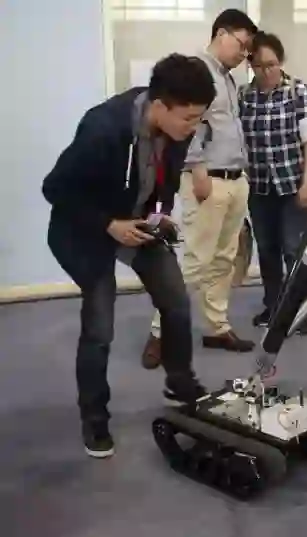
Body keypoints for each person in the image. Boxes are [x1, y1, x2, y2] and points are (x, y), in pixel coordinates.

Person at [41, 53, 215, 458]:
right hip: (86, 229)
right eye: (188, 118)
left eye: (199, 118)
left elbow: (162, 181)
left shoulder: (177, 128)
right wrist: (109, 224)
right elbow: (55, 189)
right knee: (100, 323)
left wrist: (159, 215)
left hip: (136, 224)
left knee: (176, 301)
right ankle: (94, 418)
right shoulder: (102, 128)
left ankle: (179, 382)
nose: (193, 127)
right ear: (160, 106)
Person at [142, 9, 259, 369]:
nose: (244, 54)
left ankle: (216, 326)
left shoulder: (228, 79)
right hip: (208, 180)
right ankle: (160, 332)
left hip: (236, 179)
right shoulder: (198, 73)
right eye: (242, 45)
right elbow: (186, 125)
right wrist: (197, 168)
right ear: (222, 34)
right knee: (195, 260)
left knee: (224, 259)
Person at [239, 32, 307, 334]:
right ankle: (272, 306)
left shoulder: (299, 92)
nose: (266, 71)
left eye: (271, 64)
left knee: (293, 249)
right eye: (258, 66)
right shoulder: (244, 97)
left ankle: (299, 310)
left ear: (281, 61)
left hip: (292, 187)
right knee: (267, 250)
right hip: (259, 188)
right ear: (250, 65)